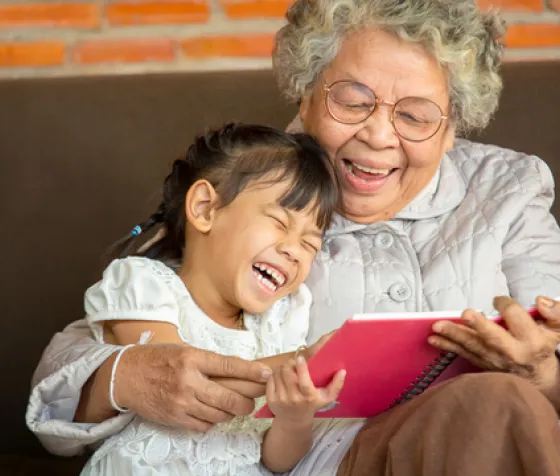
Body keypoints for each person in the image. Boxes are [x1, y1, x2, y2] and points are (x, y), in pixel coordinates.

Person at [27, 0, 560, 474]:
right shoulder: (261, 184)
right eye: (352, 101)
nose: (377, 135)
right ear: (305, 97)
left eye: (416, 116)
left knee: (501, 404)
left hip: (479, 446)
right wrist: (125, 376)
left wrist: (544, 375)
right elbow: (122, 319)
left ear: (452, 130)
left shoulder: (508, 191)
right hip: (319, 461)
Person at [80, 123, 348, 475]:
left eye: (310, 243)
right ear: (206, 208)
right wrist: (300, 363)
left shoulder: (280, 319)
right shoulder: (145, 286)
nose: (294, 251)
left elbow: (277, 461)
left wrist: (294, 415)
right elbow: (181, 380)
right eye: (280, 224)